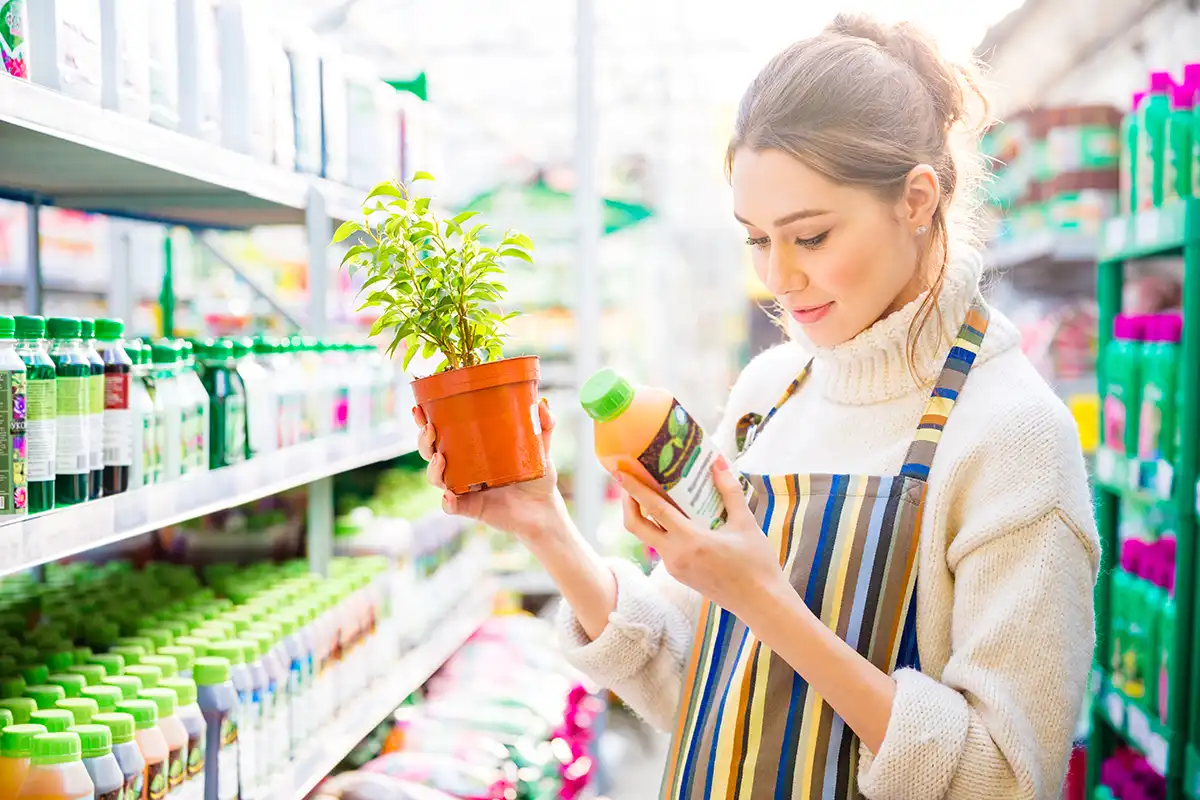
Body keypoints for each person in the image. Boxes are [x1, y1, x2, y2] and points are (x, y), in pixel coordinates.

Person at [415, 12, 1098, 800]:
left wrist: (764, 603)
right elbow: (689, 679)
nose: (778, 277)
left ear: (916, 200)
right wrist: (544, 522)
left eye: (809, 238)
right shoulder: (771, 395)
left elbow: (1005, 778)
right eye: (755, 240)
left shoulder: (1011, 438)